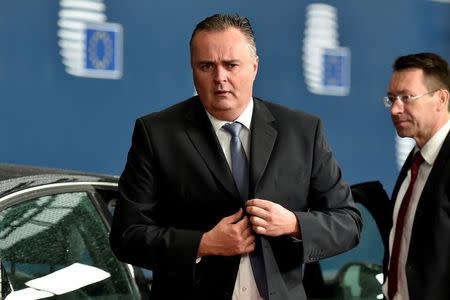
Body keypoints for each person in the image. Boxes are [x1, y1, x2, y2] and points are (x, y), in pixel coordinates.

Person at [109, 13, 362, 300]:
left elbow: (347, 222)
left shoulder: (303, 131)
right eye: (207, 66)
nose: (220, 78)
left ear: (254, 67)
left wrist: (293, 223)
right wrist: (203, 244)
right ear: (193, 69)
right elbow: (126, 236)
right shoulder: (157, 133)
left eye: (231, 65)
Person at [382, 52, 450, 300]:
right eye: (391, 99)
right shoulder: (415, 160)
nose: (395, 110)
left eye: (407, 98)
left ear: (441, 98)